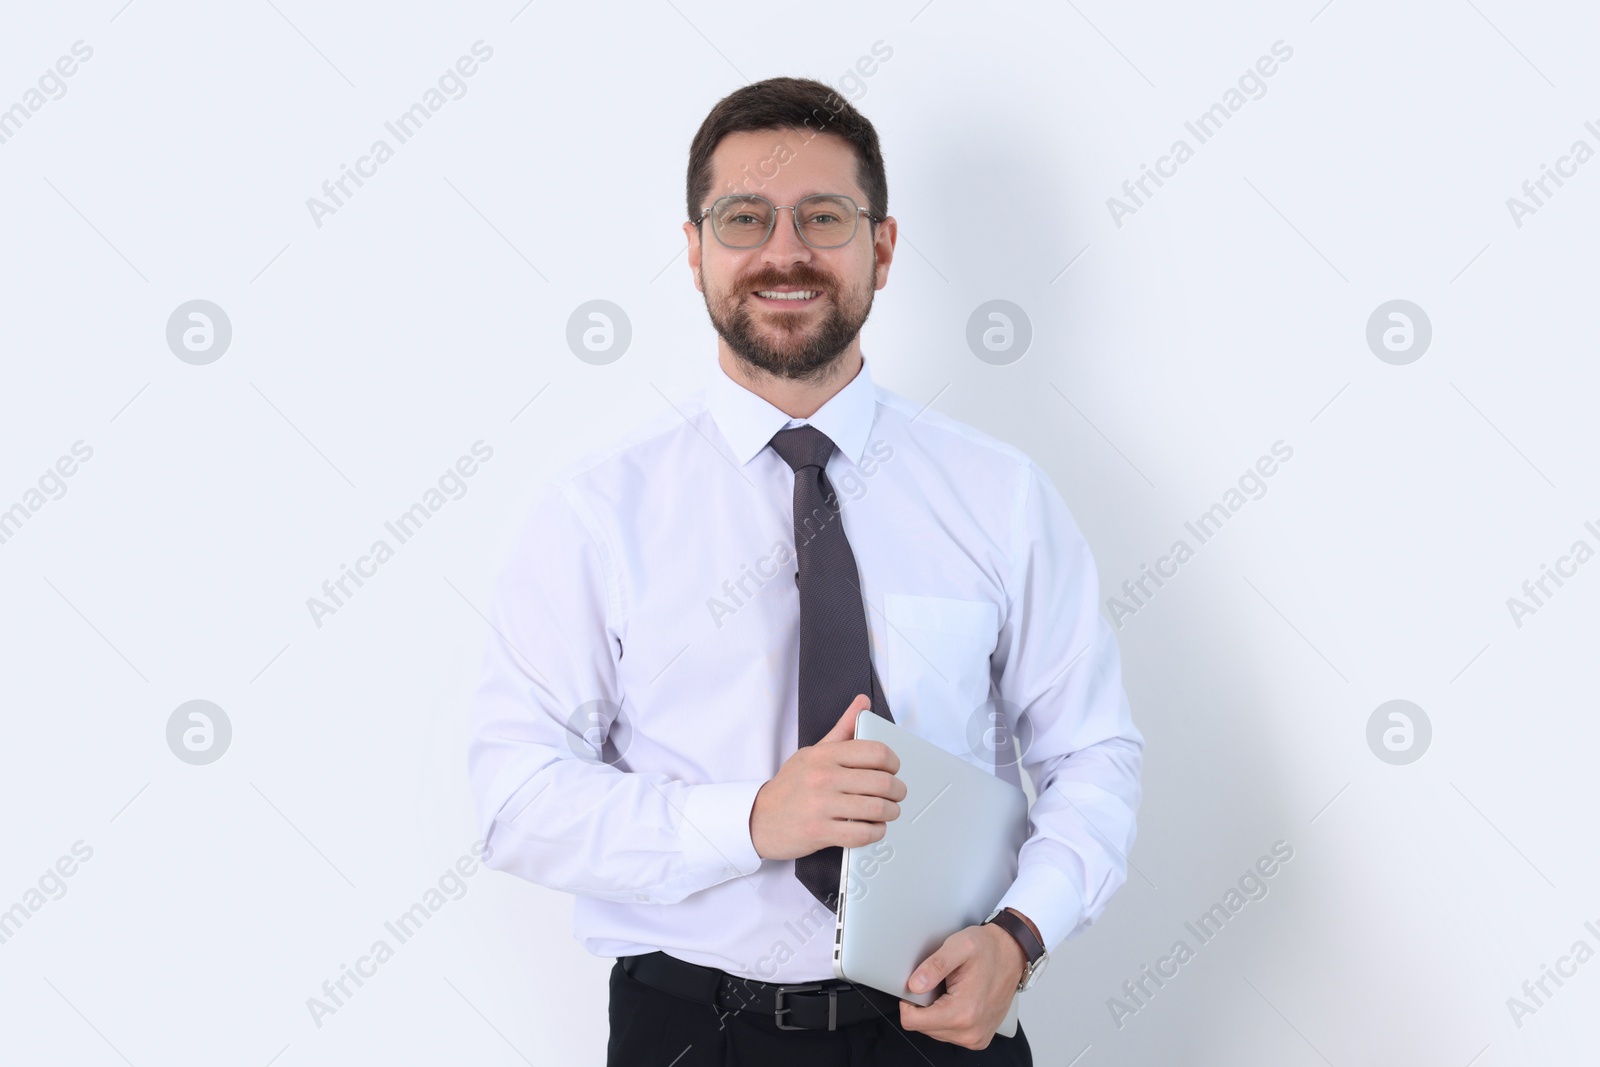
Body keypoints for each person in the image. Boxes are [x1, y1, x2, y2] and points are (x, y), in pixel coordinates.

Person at [466, 75, 1143, 1065]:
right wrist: (748, 818)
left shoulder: (1000, 495)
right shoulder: (596, 513)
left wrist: (1020, 936)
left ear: (883, 246)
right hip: (690, 1033)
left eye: (823, 217)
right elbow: (513, 796)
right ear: (695, 250)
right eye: (746, 218)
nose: (785, 252)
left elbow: (1093, 753)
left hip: (941, 1025)